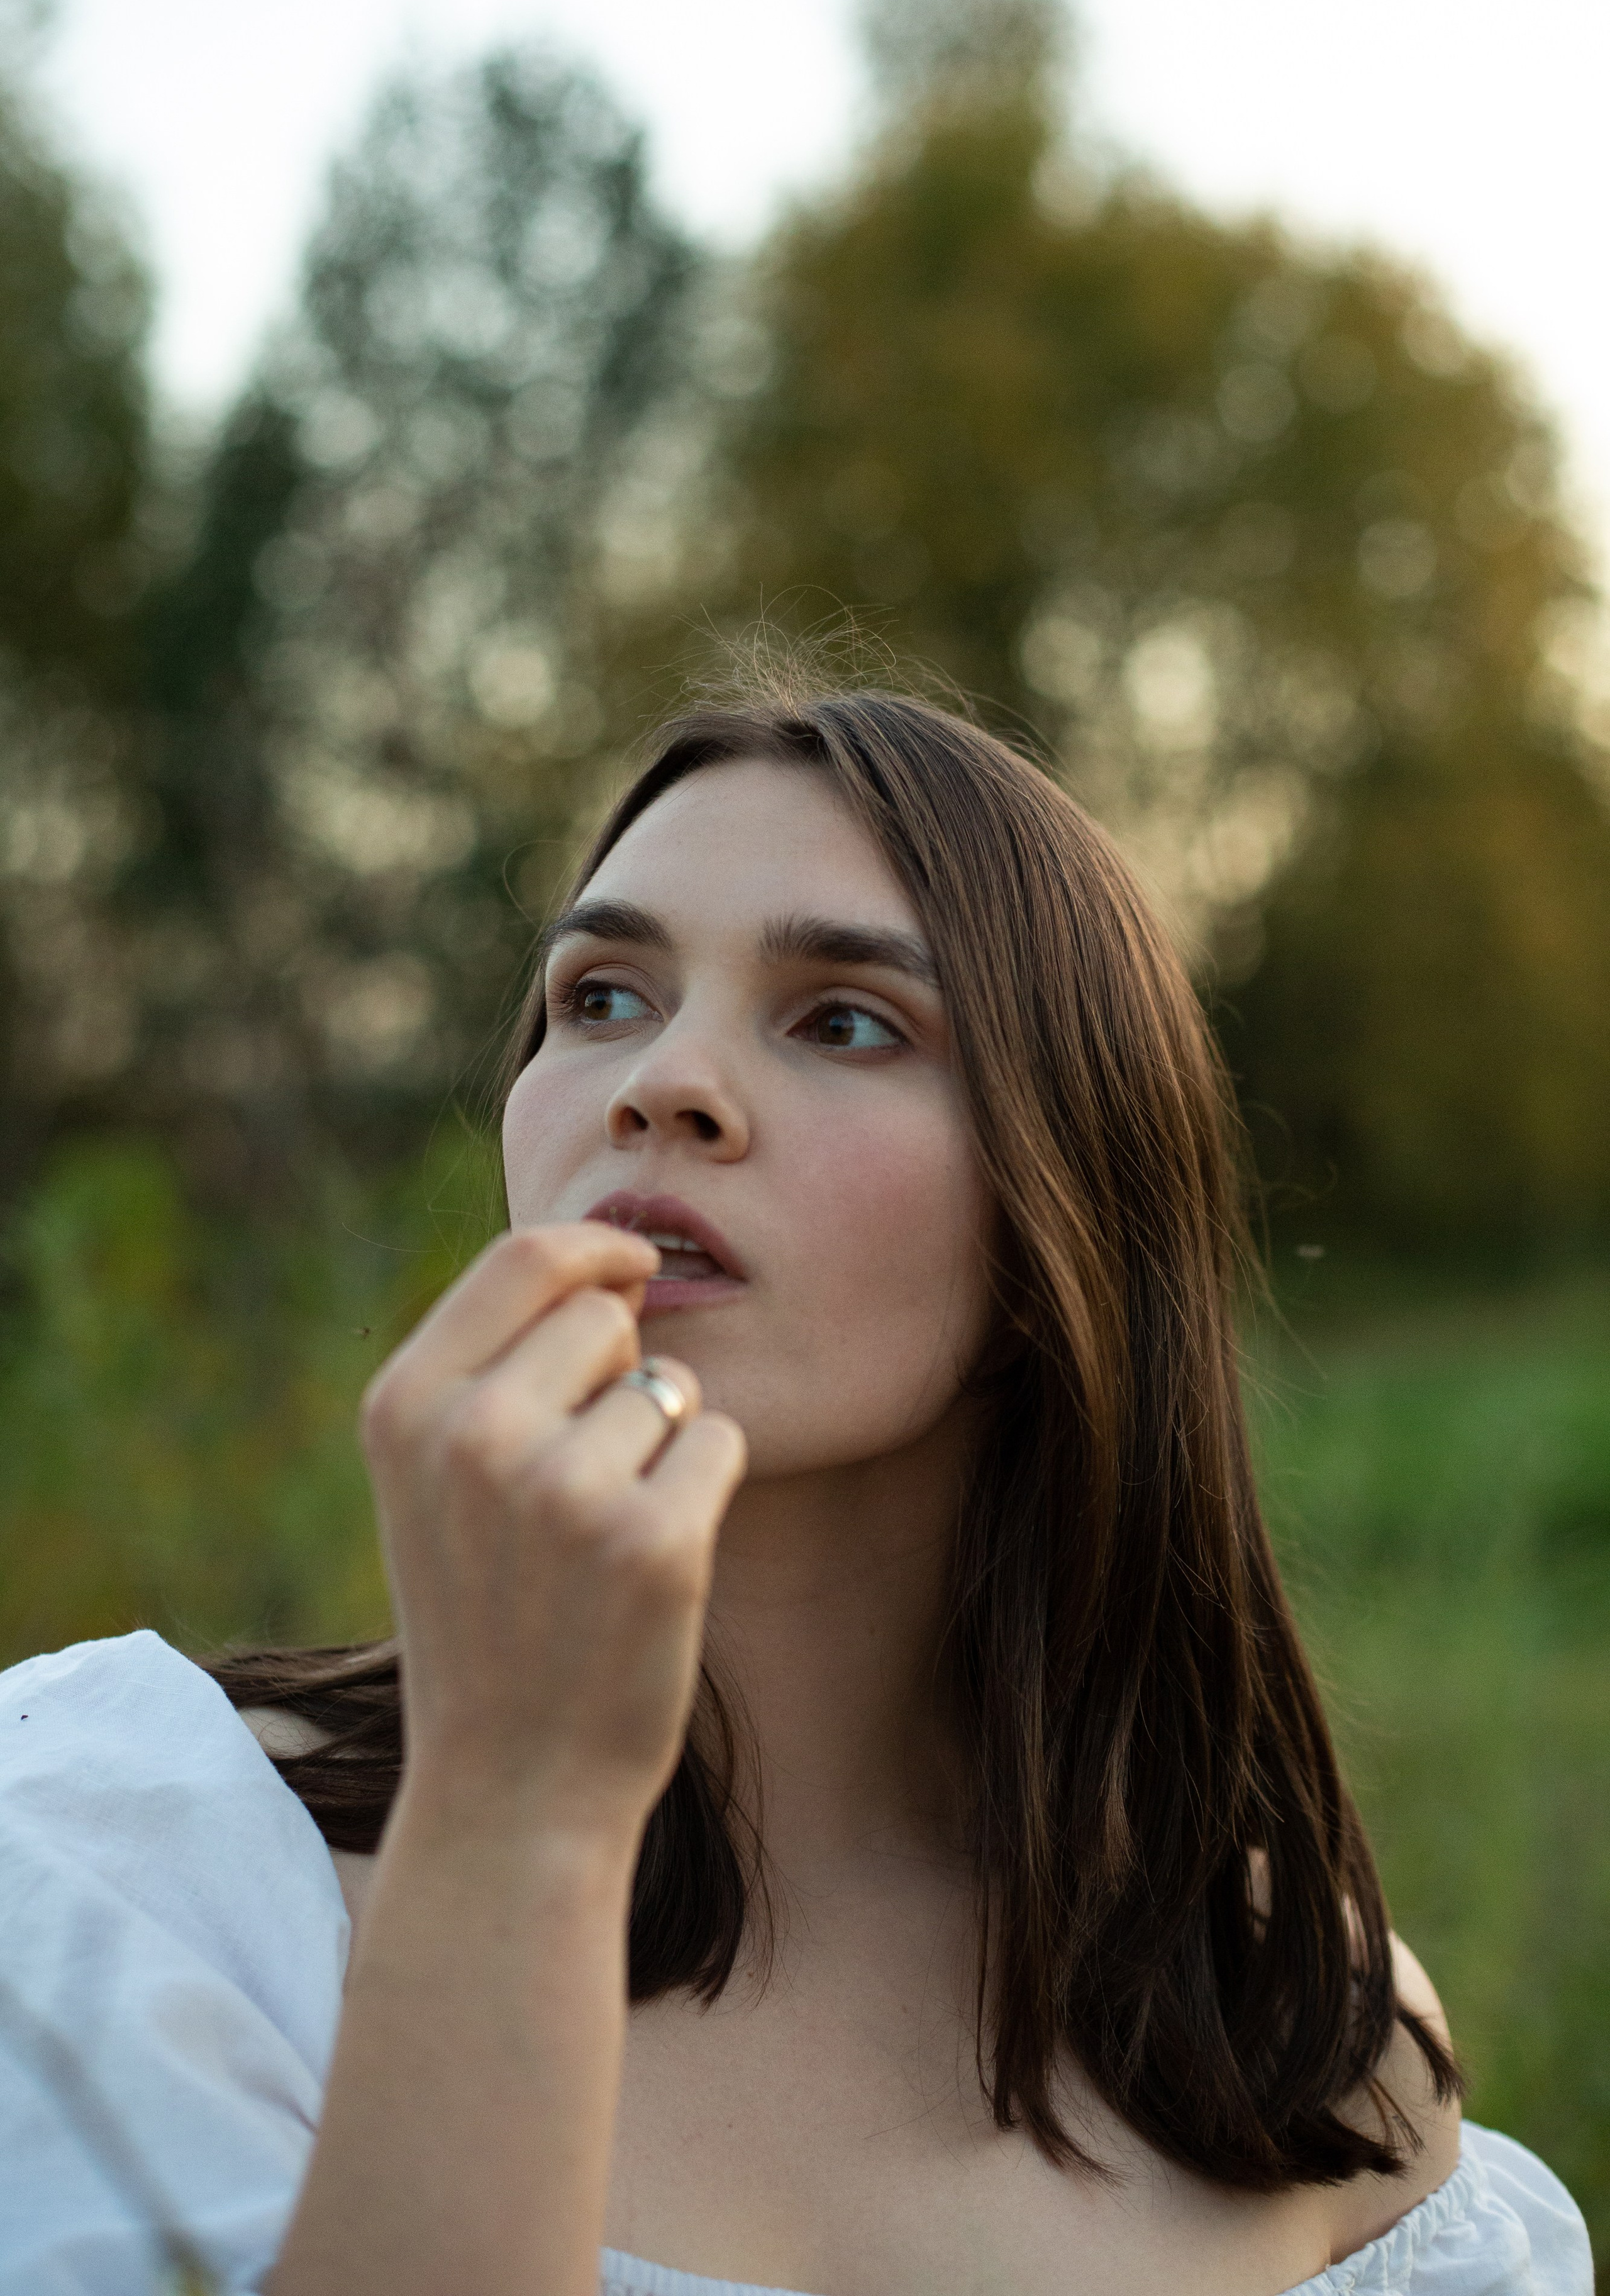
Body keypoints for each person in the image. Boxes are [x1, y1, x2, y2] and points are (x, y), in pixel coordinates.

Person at [0, 674, 1592, 2296]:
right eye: (601, 996)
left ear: (1069, 1217)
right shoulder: (123, 1869)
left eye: (845, 1020)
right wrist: (513, 1816)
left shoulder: (1290, 2040)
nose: (659, 1082)